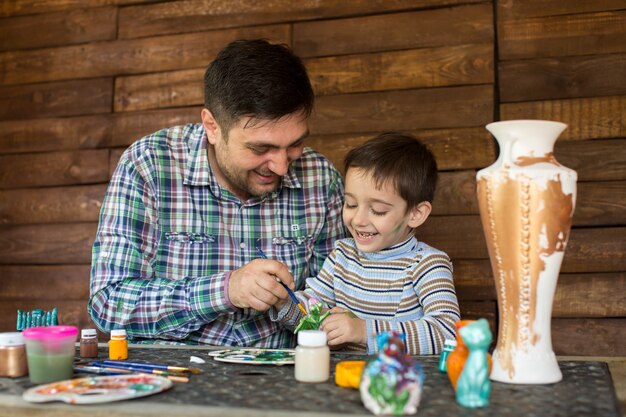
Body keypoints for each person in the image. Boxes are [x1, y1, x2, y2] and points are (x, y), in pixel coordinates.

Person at [89, 39, 346, 348]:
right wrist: (225, 290)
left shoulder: (321, 180)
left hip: (282, 379)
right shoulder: (150, 165)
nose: (280, 166)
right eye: (260, 148)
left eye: (294, 144)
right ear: (212, 126)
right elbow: (109, 304)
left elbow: (337, 305)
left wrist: (302, 309)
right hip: (174, 378)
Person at [271, 132, 461, 355]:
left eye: (378, 210)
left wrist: (364, 331)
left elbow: (448, 333)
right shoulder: (342, 255)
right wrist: (283, 300)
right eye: (351, 204)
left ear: (416, 214)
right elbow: (312, 312)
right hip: (339, 380)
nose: (359, 220)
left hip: (398, 382)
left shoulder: (427, 264)